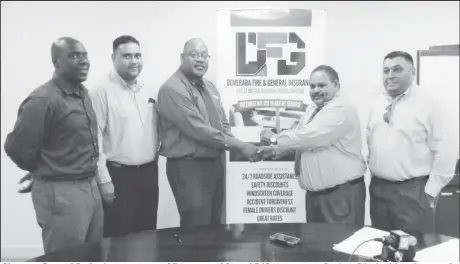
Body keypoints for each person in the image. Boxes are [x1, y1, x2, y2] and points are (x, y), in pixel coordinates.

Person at [4, 37, 102, 254]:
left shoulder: (82, 93)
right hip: (62, 191)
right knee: (66, 256)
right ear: (56, 62)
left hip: (89, 185)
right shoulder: (43, 99)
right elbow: (16, 148)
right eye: (74, 55)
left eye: (84, 55)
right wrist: (44, 169)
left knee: (93, 253)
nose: (83, 61)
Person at [157, 38, 259, 228]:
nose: (200, 60)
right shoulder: (172, 89)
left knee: (215, 224)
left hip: (215, 164)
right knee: (197, 226)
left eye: (204, 55)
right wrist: (241, 146)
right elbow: (199, 129)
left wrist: (234, 143)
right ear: (182, 57)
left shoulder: (210, 86)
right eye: (194, 55)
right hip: (189, 168)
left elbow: (222, 122)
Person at [258, 65, 367, 225]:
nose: (316, 90)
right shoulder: (313, 110)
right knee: (317, 247)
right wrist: (274, 151)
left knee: (340, 245)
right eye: (312, 86)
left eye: (322, 85)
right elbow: (299, 139)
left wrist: (274, 139)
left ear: (336, 85)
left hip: (340, 195)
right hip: (317, 196)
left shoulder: (340, 109)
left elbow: (307, 138)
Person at [366, 51, 454, 234]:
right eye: (386, 70)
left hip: (413, 193)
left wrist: (430, 192)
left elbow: (446, 151)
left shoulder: (429, 104)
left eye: (397, 70)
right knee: (379, 248)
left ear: (412, 72)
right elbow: (370, 138)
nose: (390, 75)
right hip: (379, 191)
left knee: (413, 250)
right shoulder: (378, 103)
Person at [89, 35, 159, 238]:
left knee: (147, 233)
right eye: (127, 56)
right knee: (118, 236)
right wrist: (103, 180)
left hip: (148, 173)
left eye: (137, 55)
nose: (134, 61)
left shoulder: (150, 87)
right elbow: (95, 140)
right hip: (118, 176)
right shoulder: (100, 90)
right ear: (113, 58)